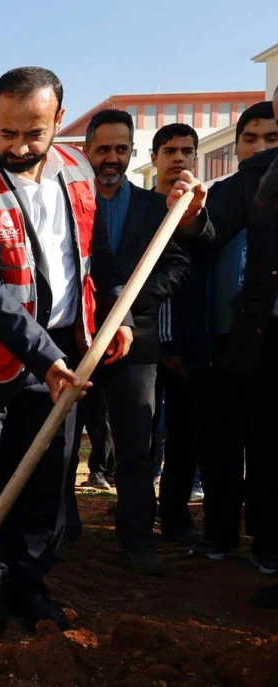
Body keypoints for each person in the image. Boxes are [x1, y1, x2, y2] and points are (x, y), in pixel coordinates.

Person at [0, 67, 133, 635]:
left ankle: (29, 581)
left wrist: (116, 311)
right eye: (7, 132)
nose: (19, 147)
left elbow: (100, 254)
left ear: (59, 121)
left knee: (47, 478)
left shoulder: (77, 173)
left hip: (66, 352)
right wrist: (46, 358)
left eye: (34, 134)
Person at [79, 109, 190, 574]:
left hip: (136, 346)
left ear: (132, 152)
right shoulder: (71, 204)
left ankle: (137, 536)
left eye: (120, 149)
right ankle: (61, 534)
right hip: (77, 343)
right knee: (64, 447)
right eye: (102, 149)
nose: (111, 158)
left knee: (135, 446)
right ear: (87, 152)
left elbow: (177, 266)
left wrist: (129, 302)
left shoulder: (153, 208)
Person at [178, 88, 278, 600]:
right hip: (238, 336)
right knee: (225, 439)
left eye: (272, 137)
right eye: (253, 138)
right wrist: (193, 217)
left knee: (270, 446)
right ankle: (222, 533)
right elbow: (206, 236)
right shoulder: (245, 185)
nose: (262, 146)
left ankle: (268, 541)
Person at [148, 124, 202, 543]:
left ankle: (175, 514)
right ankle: (139, 513)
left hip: (188, 345)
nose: (178, 158)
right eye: (169, 150)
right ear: (154, 159)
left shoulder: (204, 215)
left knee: (184, 435)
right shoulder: (142, 210)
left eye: (187, 150)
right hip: (143, 344)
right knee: (143, 433)